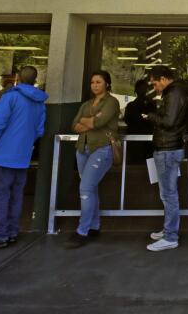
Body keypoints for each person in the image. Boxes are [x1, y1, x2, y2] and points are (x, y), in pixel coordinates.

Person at [0, 66, 47, 252]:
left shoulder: (10, 97)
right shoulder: (39, 102)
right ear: (34, 79)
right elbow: (39, 130)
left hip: (3, 155)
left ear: (18, 78)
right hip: (23, 156)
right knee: (15, 195)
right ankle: (12, 232)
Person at [66, 70, 120, 249]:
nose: (95, 85)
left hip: (102, 148)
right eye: (92, 82)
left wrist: (88, 121)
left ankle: (82, 230)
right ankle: (94, 226)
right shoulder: (87, 104)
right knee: (91, 188)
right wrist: (89, 120)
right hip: (82, 148)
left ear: (107, 84)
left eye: (98, 82)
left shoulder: (112, 102)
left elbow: (99, 122)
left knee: (86, 188)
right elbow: (74, 124)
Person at [146, 65, 188, 252]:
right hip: (169, 148)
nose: (154, 87)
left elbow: (168, 122)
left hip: (167, 149)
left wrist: (151, 116)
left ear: (163, 79)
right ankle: (168, 230)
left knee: (168, 194)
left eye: (154, 83)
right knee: (167, 193)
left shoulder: (174, 94)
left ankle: (171, 235)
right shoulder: (176, 92)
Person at [122, 79, 156, 163]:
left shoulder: (132, 106)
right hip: (143, 139)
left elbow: (127, 120)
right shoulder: (150, 105)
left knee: (136, 164)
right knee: (147, 164)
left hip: (140, 139)